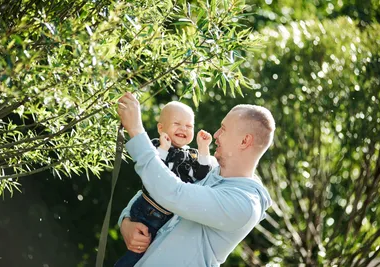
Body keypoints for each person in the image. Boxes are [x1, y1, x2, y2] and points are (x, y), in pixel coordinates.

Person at [116, 92, 275, 266]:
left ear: (244, 141)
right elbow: (153, 188)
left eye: (223, 129)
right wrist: (126, 222)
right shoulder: (208, 168)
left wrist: (136, 130)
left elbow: (173, 193)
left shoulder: (243, 204)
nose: (215, 134)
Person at [115, 101, 215, 267]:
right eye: (177, 124)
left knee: (151, 255)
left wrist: (204, 149)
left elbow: (201, 174)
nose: (183, 129)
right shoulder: (157, 146)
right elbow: (153, 172)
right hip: (147, 211)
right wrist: (163, 148)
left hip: (168, 218)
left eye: (189, 126)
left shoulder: (191, 155)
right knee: (136, 253)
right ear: (161, 128)